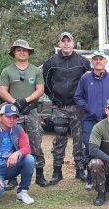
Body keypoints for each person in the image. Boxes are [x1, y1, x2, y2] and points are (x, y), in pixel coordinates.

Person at [0, 39, 48, 189]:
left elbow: (40, 89)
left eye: (25, 50)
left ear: (29, 53)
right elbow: (2, 90)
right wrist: (15, 102)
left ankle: (40, 174)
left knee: (36, 142)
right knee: (12, 143)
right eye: (18, 50)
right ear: (14, 52)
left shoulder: (35, 70)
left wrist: (25, 101)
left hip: (31, 110)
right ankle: (12, 177)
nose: (22, 52)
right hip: (13, 113)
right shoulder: (7, 71)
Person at [43, 32, 91, 185]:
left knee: (79, 140)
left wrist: (83, 101)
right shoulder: (51, 63)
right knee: (59, 139)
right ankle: (57, 172)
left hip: (78, 107)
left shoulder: (83, 62)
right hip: (59, 107)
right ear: (59, 43)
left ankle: (80, 170)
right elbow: (45, 84)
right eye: (63, 41)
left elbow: (88, 83)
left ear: (73, 43)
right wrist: (54, 99)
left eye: (68, 41)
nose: (66, 44)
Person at [74, 50, 109, 189]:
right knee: (91, 148)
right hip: (90, 119)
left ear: (105, 62)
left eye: (100, 59)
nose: (98, 61)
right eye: (95, 59)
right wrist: (89, 108)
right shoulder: (85, 78)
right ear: (92, 62)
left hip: (108, 120)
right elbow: (78, 97)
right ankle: (91, 179)